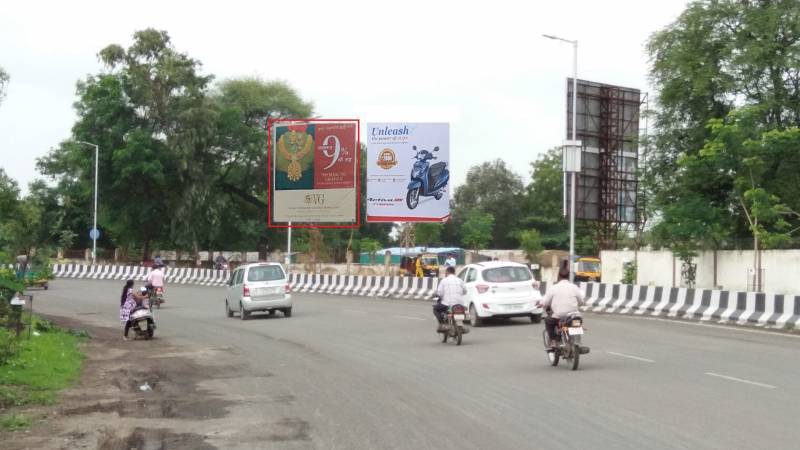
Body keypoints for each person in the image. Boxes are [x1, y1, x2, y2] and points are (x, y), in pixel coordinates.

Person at [538, 261, 586, 348]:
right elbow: (581, 302)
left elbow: (545, 302)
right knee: (578, 323)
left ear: (558, 276)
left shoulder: (553, 288)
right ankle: (578, 341)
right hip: (573, 316)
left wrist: (540, 304)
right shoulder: (574, 287)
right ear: (568, 277)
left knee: (548, 321)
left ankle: (553, 340)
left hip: (559, 316)